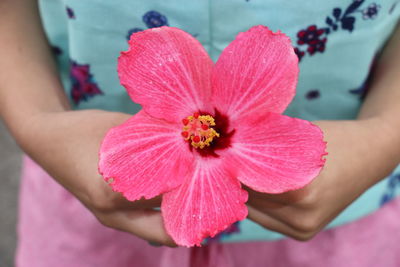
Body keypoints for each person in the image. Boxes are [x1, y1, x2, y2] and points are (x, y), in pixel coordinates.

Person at [1, 0, 400, 266]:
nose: (199, 130)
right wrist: (37, 121)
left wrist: (385, 135)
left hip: (348, 206)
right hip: (82, 182)